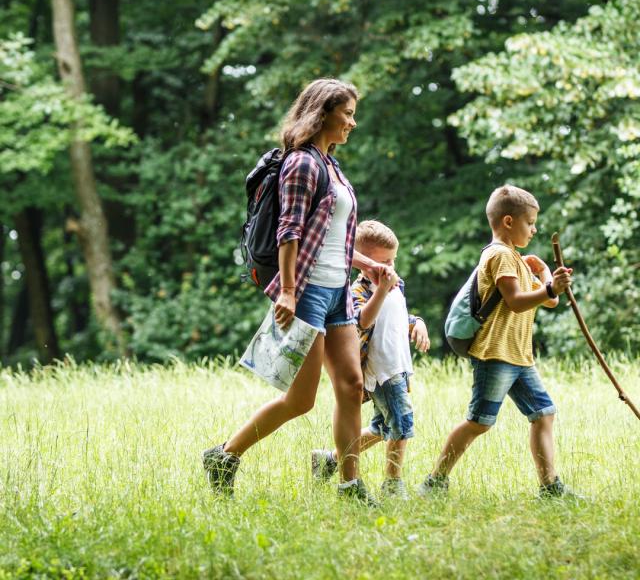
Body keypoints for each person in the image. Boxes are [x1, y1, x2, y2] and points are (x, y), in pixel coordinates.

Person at [203, 79, 389, 504]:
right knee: (301, 399)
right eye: (347, 114)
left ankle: (349, 484)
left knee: (350, 383)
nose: (353, 123)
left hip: (337, 291)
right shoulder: (302, 164)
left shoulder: (332, 165)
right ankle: (225, 455)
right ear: (323, 112)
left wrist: (368, 264)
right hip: (305, 291)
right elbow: (290, 231)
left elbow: (331, 237)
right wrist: (287, 290)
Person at [418, 185, 578, 498]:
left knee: (544, 413)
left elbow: (549, 302)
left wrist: (547, 276)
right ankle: (434, 481)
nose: (534, 229)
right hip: (495, 355)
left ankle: (550, 488)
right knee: (479, 422)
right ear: (508, 222)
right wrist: (550, 289)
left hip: (519, 357)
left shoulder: (516, 259)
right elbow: (518, 301)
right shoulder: (500, 256)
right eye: (530, 222)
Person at [311, 220, 430, 499]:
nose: (390, 268)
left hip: (398, 364)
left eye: (393, 260)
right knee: (402, 422)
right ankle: (393, 483)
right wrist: (381, 289)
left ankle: (329, 459)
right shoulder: (357, 291)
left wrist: (417, 322)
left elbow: (396, 319)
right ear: (363, 264)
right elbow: (362, 321)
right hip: (379, 369)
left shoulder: (396, 284)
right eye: (383, 262)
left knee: (382, 426)